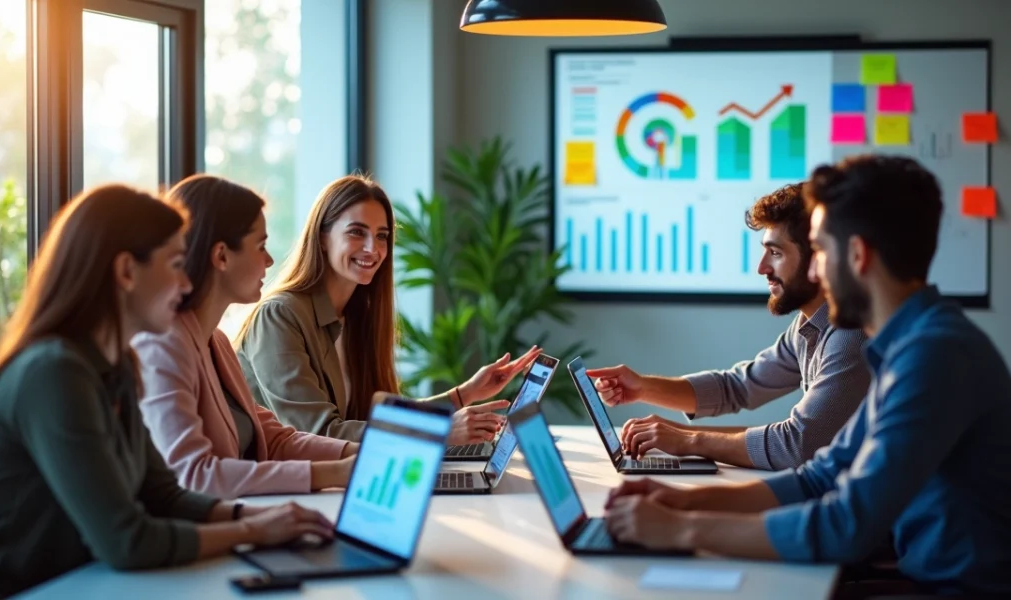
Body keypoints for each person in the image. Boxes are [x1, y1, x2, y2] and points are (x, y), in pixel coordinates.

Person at [602, 155, 1011, 597]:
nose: (816, 272)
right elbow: (820, 477)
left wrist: (683, 529)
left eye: (822, 252)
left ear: (857, 256)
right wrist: (682, 500)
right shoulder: (908, 345)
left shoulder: (934, 356)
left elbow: (843, 525)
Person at [0, 185, 335, 599]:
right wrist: (253, 530)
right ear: (126, 272)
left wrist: (258, 518)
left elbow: (162, 494)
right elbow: (127, 541)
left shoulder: (114, 367)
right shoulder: (54, 375)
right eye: (174, 263)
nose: (187, 281)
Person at [235, 174, 541, 443]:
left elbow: (377, 419)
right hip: (276, 494)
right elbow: (318, 434)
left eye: (382, 236)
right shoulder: (279, 316)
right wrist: (440, 431)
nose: (373, 248)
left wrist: (463, 395)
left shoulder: (358, 316)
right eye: (357, 232)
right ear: (323, 238)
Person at [587, 183, 870, 470]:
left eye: (776, 253)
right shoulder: (808, 326)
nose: (762, 268)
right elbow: (737, 387)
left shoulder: (851, 336)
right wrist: (642, 388)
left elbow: (797, 444)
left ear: (818, 257)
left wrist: (687, 439)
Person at [133, 175, 360, 499]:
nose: (269, 260)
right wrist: (334, 472)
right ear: (222, 256)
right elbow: (193, 475)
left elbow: (276, 439)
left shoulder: (217, 342)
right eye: (261, 246)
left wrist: (362, 454)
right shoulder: (162, 345)